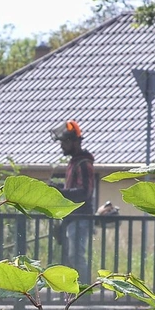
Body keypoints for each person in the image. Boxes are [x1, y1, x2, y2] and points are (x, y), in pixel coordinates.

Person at [51, 120, 95, 283]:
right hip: (73, 218)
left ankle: (83, 293)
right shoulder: (75, 162)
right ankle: (71, 292)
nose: (62, 146)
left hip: (80, 217)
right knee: (69, 257)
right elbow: (74, 188)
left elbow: (85, 192)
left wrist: (61, 192)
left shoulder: (84, 163)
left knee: (76, 256)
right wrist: (59, 187)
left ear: (74, 142)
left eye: (65, 142)